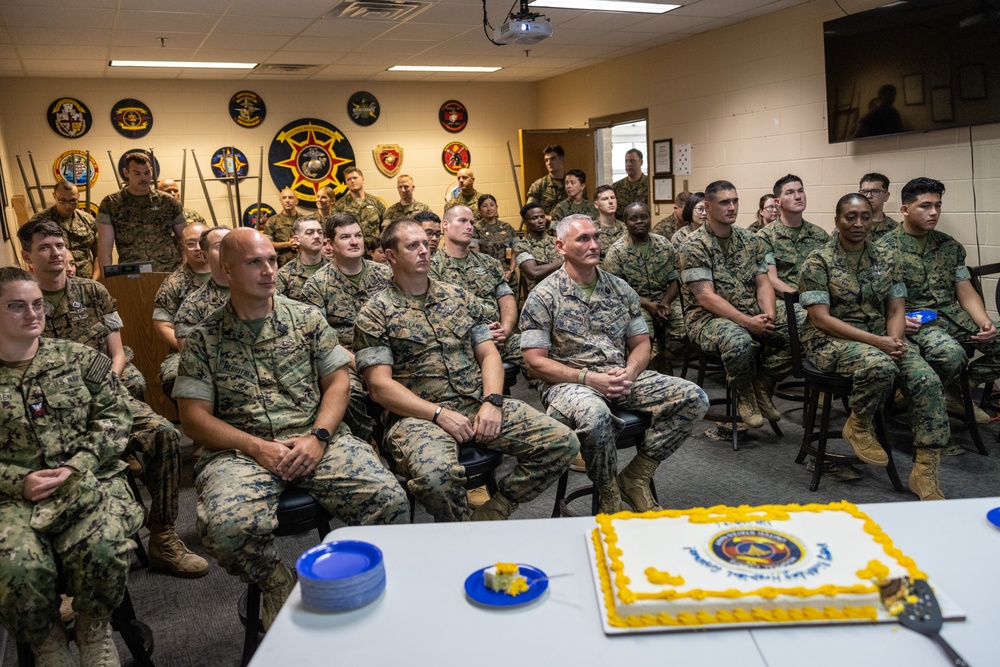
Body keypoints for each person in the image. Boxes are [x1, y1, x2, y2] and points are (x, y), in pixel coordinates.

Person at [175, 229, 408, 629]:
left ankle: (358, 578)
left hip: (313, 436)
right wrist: (255, 447)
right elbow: (194, 417)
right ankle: (276, 582)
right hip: (241, 451)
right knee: (227, 530)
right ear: (227, 270)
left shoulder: (306, 319)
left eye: (272, 260)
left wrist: (319, 437)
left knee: (390, 500)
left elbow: (337, 382)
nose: (269, 270)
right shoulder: (204, 339)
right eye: (254, 263)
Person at [354, 219, 578, 522]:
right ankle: (457, 528)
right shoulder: (375, 312)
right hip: (418, 417)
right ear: (391, 255)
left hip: (476, 401)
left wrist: (492, 401)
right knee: (436, 479)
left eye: (425, 243)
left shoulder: (459, 297)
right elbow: (379, 386)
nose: (424, 250)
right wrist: (438, 414)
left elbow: (488, 354)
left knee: (562, 442)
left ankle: (492, 512)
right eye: (412, 245)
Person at [18, 219, 207, 578]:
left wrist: (103, 389)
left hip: (103, 395)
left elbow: (117, 354)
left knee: (164, 434)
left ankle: (163, 536)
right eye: (44, 247)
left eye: (60, 245)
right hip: (49, 411)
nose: (56, 253)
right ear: (28, 256)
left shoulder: (92, 292)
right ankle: (68, 562)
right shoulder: (21, 304)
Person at [0, 267, 144, 666]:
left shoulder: (78, 359)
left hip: (87, 481)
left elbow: (116, 417)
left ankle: (94, 631)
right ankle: (47, 644)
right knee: (16, 569)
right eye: (16, 306)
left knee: (103, 547)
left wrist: (79, 464)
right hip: (11, 499)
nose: (32, 314)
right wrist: (18, 481)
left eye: (37, 305)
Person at [520, 214, 708, 513]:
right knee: (595, 416)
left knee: (694, 397)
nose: (594, 244)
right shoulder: (543, 296)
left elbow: (641, 343)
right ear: (561, 246)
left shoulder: (620, 289)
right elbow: (534, 364)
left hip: (620, 376)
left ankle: (635, 476)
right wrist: (591, 379)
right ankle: (608, 490)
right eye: (583, 238)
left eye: (596, 237)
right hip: (569, 384)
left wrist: (630, 373)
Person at [799, 192, 950, 499]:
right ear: (837, 220)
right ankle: (859, 423)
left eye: (865, 217)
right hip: (829, 340)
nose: (858, 223)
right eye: (850, 217)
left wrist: (894, 341)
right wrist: (878, 342)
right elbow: (820, 319)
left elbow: (896, 308)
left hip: (880, 337)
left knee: (926, 379)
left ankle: (925, 472)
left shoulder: (886, 256)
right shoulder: (818, 261)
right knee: (878, 365)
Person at [881, 177, 998, 425]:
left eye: (938, 205)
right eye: (925, 206)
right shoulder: (884, 249)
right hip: (915, 321)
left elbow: (964, 289)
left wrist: (984, 321)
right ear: (905, 209)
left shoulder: (948, 245)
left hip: (950, 315)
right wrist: (897, 320)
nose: (934, 212)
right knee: (950, 355)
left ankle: (957, 389)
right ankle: (917, 400)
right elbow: (875, 298)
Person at [677, 180, 791, 428]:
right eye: (724, 202)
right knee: (738, 340)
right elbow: (705, 296)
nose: (732, 207)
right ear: (707, 206)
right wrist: (748, 323)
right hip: (707, 320)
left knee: (802, 322)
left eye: (735, 201)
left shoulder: (750, 240)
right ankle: (745, 393)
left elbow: (763, 283)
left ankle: (763, 382)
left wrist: (769, 315)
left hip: (751, 311)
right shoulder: (693, 245)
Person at [431, 206, 524, 371]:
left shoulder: (489, 263)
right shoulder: (432, 267)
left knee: (536, 350)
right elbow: (436, 315)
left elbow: (506, 299)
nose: (469, 226)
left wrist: (506, 330)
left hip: (500, 338)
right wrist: (479, 335)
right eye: (462, 221)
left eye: (472, 222)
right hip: (461, 344)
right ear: (445, 225)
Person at [605, 202, 684, 372]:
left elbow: (675, 279)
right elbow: (617, 292)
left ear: (649, 218)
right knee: (644, 337)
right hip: (635, 303)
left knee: (683, 331)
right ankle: (650, 366)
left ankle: (663, 360)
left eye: (644, 217)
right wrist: (649, 305)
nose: (639, 221)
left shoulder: (663, 244)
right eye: (633, 219)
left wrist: (665, 303)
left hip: (665, 299)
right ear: (625, 222)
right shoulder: (617, 252)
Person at [97, 151, 186, 275]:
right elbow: (104, 246)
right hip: (132, 272)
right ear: (126, 173)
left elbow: (185, 239)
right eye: (137, 173)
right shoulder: (111, 204)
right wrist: (107, 279)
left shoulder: (168, 202)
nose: (143, 178)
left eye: (147, 173)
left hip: (169, 270)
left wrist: (186, 271)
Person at [758, 174, 830, 326]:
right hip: (785, 301)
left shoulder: (819, 235)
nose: (798, 196)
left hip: (818, 299)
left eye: (801, 191)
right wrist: (803, 298)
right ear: (777, 201)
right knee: (810, 319)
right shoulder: (766, 236)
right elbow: (771, 279)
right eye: (790, 192)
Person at [153, 223, 211, 398]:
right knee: (173, 377)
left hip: (234, 347)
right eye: (191, 244)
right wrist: (192, 350)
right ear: (183, 247)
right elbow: (163, 327)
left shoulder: (231, 274)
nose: (198, 248)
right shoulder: (173, 283)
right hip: (186, 350)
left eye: (202, 242)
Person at [26, 180, 99, 279]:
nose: (68, 205)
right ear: (54, 196)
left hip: (86, 279)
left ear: (78, 197)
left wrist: (95, 281)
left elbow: (98, 255)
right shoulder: (39, 221)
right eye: (62, 200)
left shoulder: (88, 220)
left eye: (73, 201)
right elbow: (32, 255)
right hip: (54, 281)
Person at [174, 227, 232, 349]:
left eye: (232, 246)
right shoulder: (192, 307)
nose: (229, 252)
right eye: (219, 247)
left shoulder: (264, 292)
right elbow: (191, 356)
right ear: (204, 255)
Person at [275, 218, 328, 302]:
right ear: (297, 240)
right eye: (309, 233)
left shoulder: (337, 268)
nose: (317, 236)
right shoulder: (284, 275)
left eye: (320, 232)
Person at [514, 202, 562, 294]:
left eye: (542, 217)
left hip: (563, 293)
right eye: (534, 218)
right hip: (540, 295)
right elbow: (534, 272)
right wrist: (560, 262)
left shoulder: (557, 241)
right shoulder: (522, 246)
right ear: (526, 222)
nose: (540, 221)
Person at [334, 167, 386, 246]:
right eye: (349, 179)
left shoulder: (376, 203)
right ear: (346, 183)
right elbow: (336, 230)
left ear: (362, 179)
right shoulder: (340, 205)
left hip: (374, 251)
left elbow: (385, 229)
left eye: (355, 178)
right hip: (352, 248)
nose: (352, 181)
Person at [474, 194, 517, 282]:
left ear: (496, 207)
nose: (489, 208)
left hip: (508, 275)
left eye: (492, 205)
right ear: (479, 210)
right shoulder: (476, 228)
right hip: (487, 278)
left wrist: (511, 271)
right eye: (484, 206)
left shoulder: (507, 227)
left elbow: (515, 251)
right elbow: (475, 255)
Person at [261, 187, 303, 267]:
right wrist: (287, 244)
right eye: (284, 198)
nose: (287, 200)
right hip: (282, 266)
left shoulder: (304, 221)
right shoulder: (273, 221)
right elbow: (267, 245)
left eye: (290, 197)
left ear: (296, 201)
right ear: (280, 201)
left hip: (303, 264)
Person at [525, 144, 567, 215]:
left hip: (568, 224)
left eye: (552, 159)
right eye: (546, 160)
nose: (549, 163)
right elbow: (530, 211)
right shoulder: (539, 185)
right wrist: (547, 218)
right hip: (547, 225)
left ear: (561, 158)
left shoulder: (573, 183)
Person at [859, 172, 900, 241]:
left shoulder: (896, 229)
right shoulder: (850, 226)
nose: (868, 196)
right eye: (864, 192)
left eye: (875, 191)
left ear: (886, 196)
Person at [612, 148, 648, 221]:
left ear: (641, 162)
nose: (628, 164)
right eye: (626, 161)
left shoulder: (649, 184)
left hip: (642, 227)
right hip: (623, 229)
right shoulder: (616, 187)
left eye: (632, 161)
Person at [591, 185, 626, 262]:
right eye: (605, 199)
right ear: (596, 204)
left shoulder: (626, 228)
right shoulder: (591, 229)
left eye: (613, 197)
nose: (610, 202)